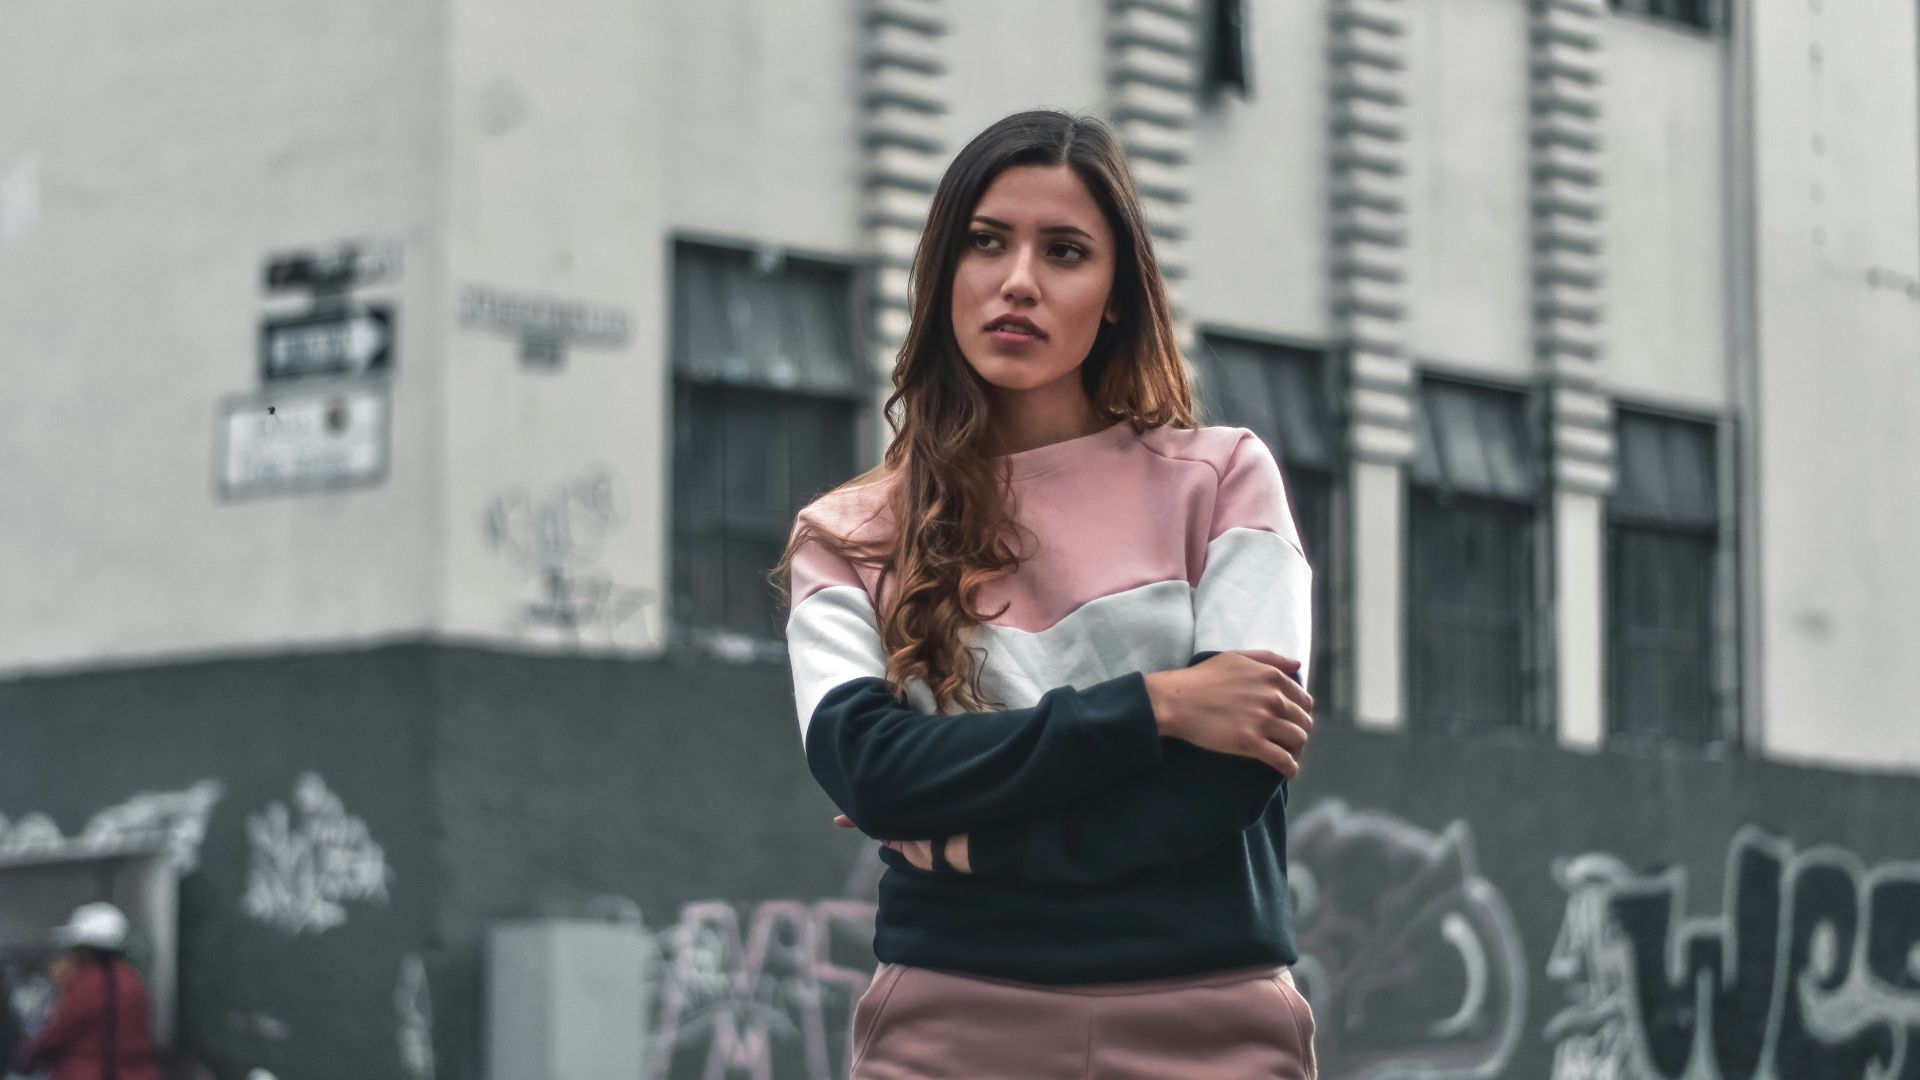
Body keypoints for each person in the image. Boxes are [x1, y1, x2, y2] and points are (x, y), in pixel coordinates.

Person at [775, 109, 1319, 1078]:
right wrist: (1156, 705)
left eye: (1065, 251)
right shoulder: (848, 535)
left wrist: (969, 847)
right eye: (987, 242)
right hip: (949, 1031)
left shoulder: (1226, 480)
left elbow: (1226, 778)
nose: (1019, 279)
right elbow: (874, 768)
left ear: (1116, 295)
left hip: (1208, 1028)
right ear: (946, 271)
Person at [12, 903, 162, 1080]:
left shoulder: (86, 984)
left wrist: (27, 1056)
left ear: (85, 950)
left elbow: (58, 1032)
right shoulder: (132, 979)